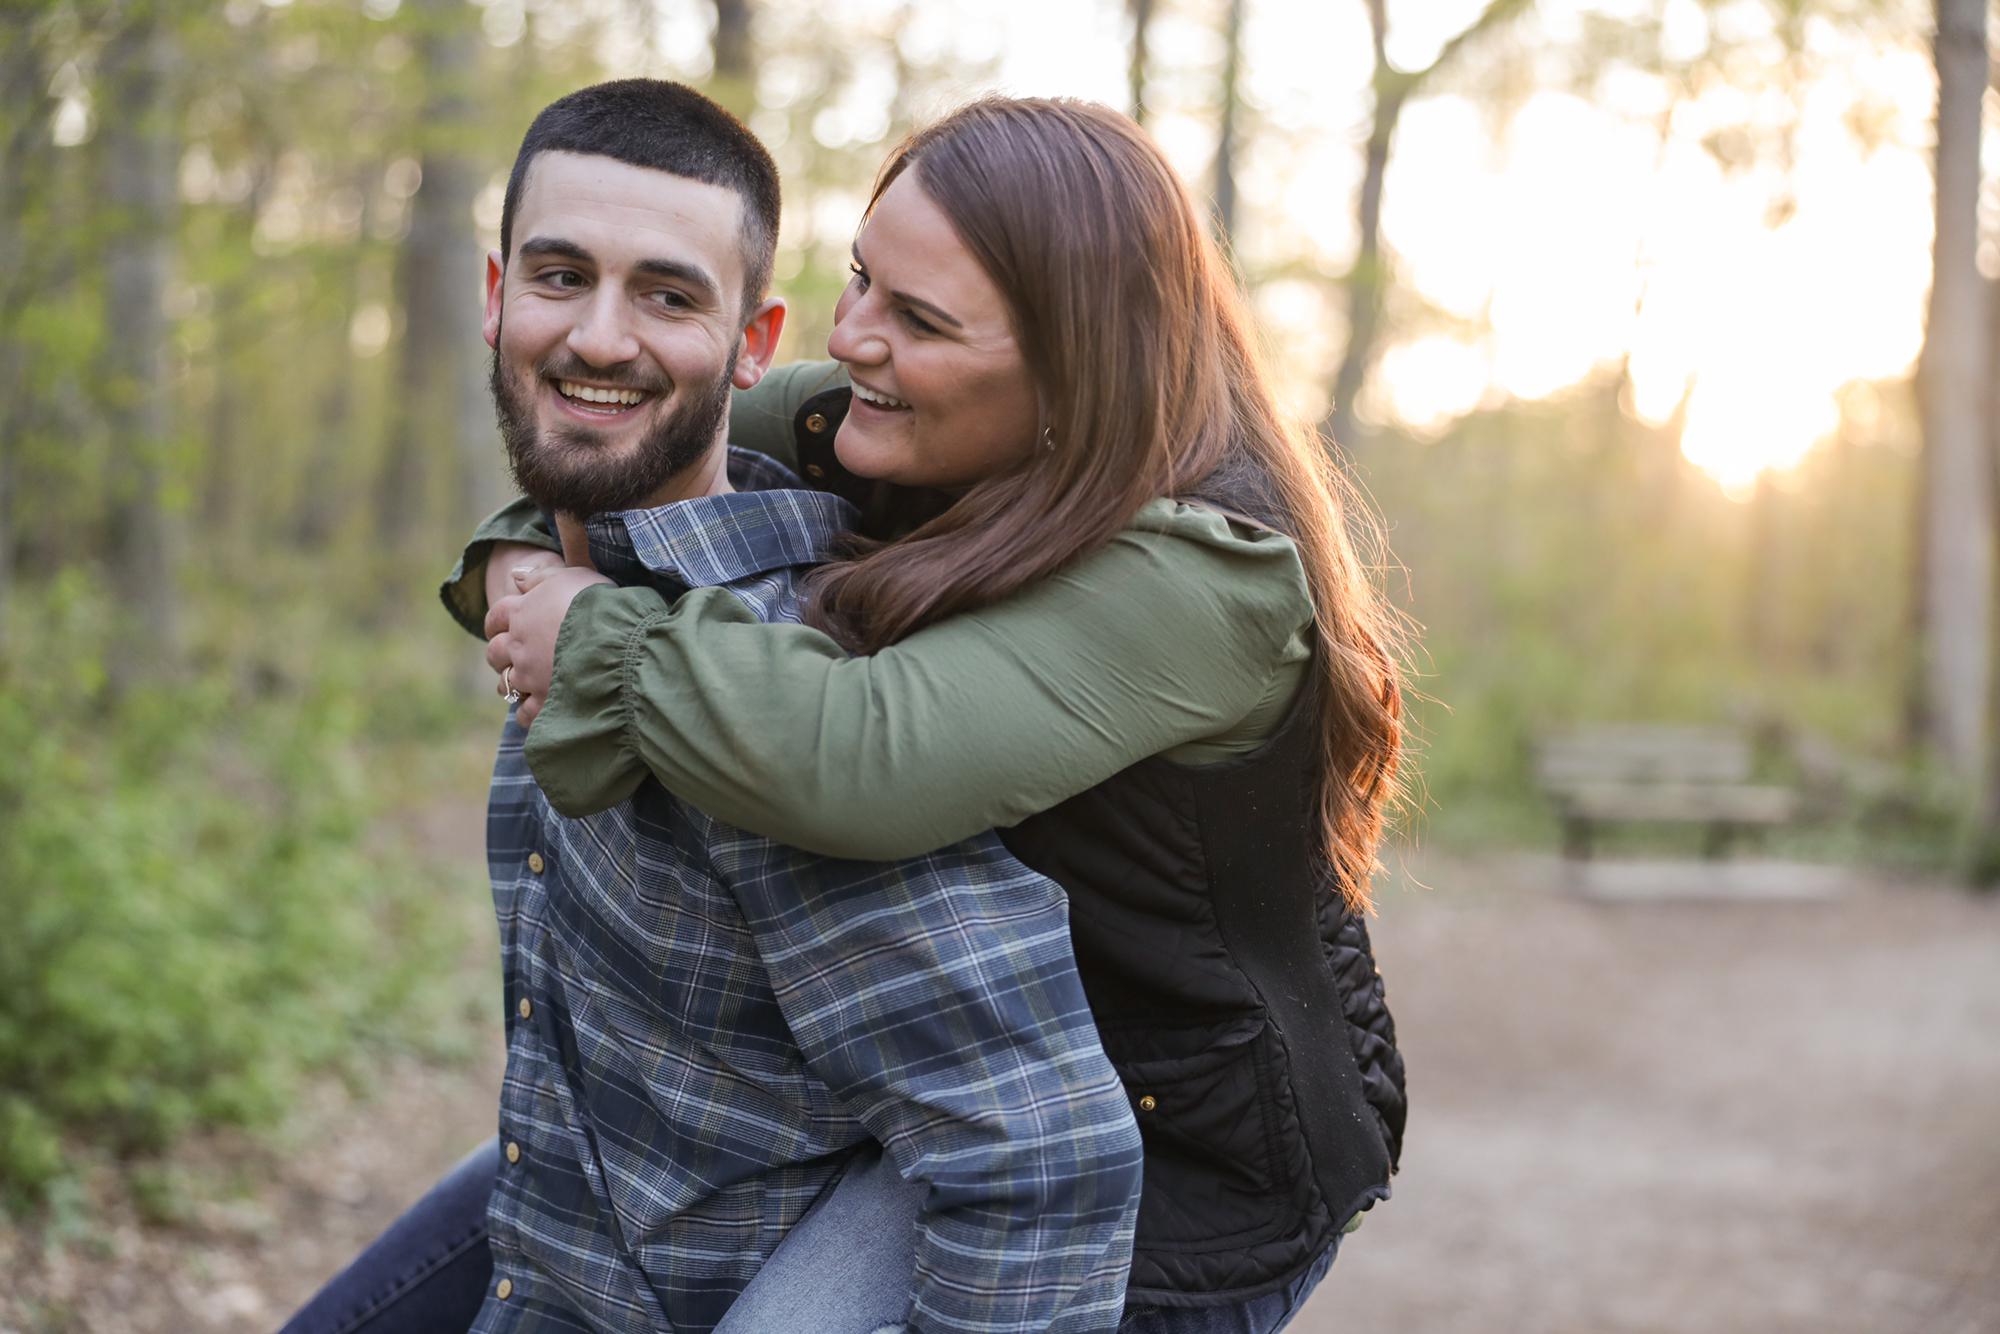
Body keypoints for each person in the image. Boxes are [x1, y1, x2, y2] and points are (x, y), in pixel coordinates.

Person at [473, 96, 1410, 1334]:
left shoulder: (1201, 574)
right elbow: (635, 429)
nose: (851, 336)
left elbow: (858, 754)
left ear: (1073, 359)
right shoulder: (909, 411)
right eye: (862, 278)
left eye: (917, 319)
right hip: (942, 1074)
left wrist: (591, 629)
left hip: (1160, 1141)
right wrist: (518, 553)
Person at [282, 79, 1145, 1334]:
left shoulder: (773, 696)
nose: (598, 338)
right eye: (560, 276)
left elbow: (1042, 1159)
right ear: (495, 296)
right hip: (554, 1254)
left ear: (753, 342)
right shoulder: (566, 591)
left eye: (668, 296)